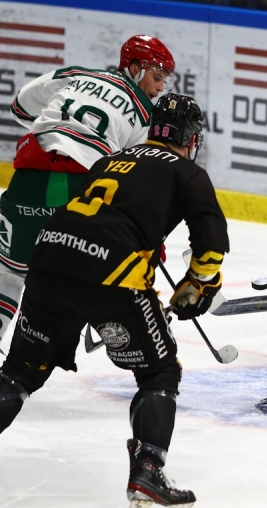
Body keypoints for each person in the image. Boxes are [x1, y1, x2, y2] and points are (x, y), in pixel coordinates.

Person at [0, 93, 228, 506]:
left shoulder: (111, 160)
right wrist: (198, 285)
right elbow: (211, 245)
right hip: (110, 275)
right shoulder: (189, 173)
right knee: (159, 373)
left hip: (48, 261)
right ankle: (148, 472)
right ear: (192, 139)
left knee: (18, 373)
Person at [0, 35, 174, 346]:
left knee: (8, 273)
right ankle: (114, 327)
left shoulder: (75, 75)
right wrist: (151, 238)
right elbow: (136, 180)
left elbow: (20, 107)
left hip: (29, 178)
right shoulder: (146, 116)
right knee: (81, 274)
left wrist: (59, 131)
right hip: (81, 187)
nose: (160, 87)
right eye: (157, 76)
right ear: (135, 68)